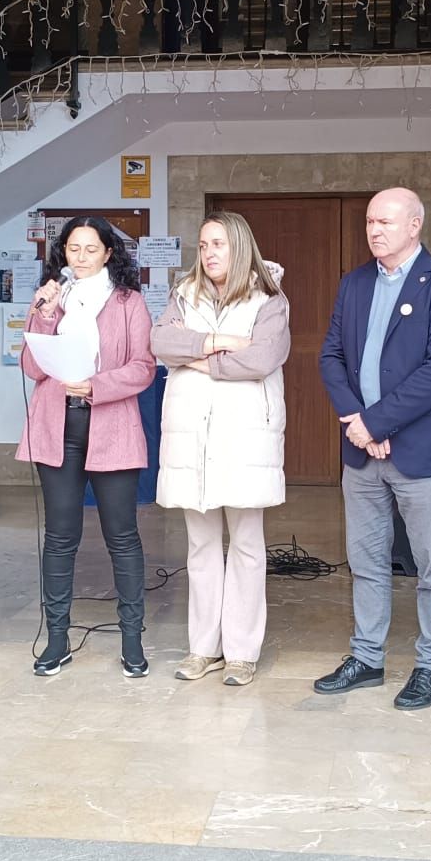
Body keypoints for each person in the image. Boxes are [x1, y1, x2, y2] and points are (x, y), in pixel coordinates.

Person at [313, 188, 431, 711]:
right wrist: (359, 425)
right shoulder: (355, 283)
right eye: (369, 221)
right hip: (362, 452)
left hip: (421, 451)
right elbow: (331, 356)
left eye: (385, 221)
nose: (374, 229)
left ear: (415, 225)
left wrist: (376, 421)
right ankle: (367, 657)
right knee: (366, 560)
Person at [152, 212, 291, 687]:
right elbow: (160, 341)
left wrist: (199, 362)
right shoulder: (182, 294)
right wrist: (217, 342)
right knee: (201, 546)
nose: (209, 253)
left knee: (248, 546)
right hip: (194, 438)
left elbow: (264, 356)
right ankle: (202, 648)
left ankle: (241, 652)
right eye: (204, 244)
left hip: (245, 436)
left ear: (239, 246)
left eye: (219, 244)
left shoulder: (268, 296)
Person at [17, 216, 156, 678]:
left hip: (111, 423)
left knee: (122, 536)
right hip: (58, 426)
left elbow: (143, 368)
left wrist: (95, 385)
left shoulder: (128, 303)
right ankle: (57, 640)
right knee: (59, 537)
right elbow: (33, 369)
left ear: (108, 254)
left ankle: (132, 641)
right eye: (72, 249)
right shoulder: (53, 299)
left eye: (90, 249)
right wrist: (42, 312)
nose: (79, 257)